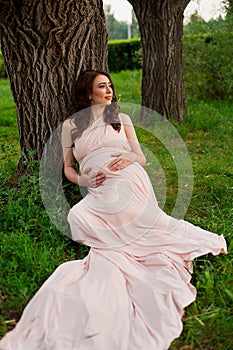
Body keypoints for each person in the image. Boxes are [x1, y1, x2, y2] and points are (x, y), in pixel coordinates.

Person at [0, 70, 227, 350]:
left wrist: (128, 157)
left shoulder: (121, 119)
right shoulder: (72, 126)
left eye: (110, 85)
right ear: (87, 93)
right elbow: (68, 167)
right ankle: (123, 239)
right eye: (102, 86)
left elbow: (141, 156)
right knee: (77, 216)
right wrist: (82, 179)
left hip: (129, 177)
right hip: (98, 186)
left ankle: (136, 235)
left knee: (121, 208)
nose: (109, 91)